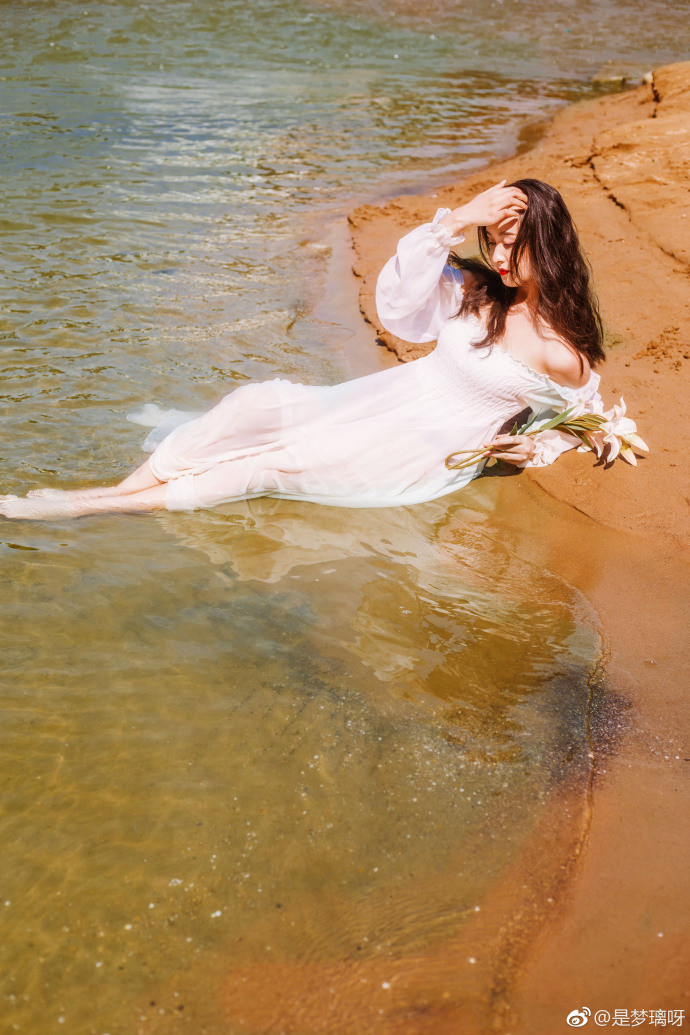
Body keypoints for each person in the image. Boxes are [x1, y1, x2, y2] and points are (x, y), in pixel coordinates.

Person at [0, 178, 605, 521]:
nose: (498, 259)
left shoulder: (559, 349)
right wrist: (456, 221)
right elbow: (397, 300)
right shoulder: (478, 293)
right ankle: (120, 488)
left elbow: (591, 422)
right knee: (255, 405)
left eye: (510, 246)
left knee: (267, 465)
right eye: (490, 242)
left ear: (548, 245)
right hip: (383, 399)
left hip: (415, 446)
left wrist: (535, 445)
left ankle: (84, 508)